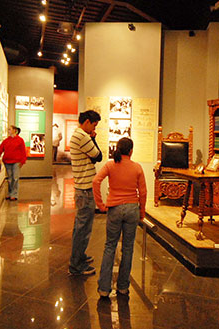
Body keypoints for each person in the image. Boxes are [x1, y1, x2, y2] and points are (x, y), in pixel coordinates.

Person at [93, 137, 146, 297]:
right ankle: (123, 287)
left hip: (114, 208)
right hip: (132, 209)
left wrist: (100, 205)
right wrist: (142, 212)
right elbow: (143, 192)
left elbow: (96, 181)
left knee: (110, 246)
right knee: (128, 248)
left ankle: (104, 288)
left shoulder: (110, 165)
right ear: (131, 151)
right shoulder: (137, 167)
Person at [68, 110, 103, 275]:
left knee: (80, 226)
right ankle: (76, 265)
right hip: (85, 189)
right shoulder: (83, 137)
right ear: (88, 122)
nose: (94, 128)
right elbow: (98, 156)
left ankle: (79, 257)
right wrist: (94, 138)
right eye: (94, 125)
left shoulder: (78, 135)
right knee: (83, 228)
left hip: (81, 187)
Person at [0, 125, 27, 201]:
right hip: (7, 162)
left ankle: (14, 194)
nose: (8, 131)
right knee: (10, 179)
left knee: (15, 178)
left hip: (16, 162)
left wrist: (23, 161)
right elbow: (0, 149)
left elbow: (23, 151)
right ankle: (9, 193)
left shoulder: (20, 140)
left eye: (9, 129)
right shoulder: (6, 140)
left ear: (14, 130)